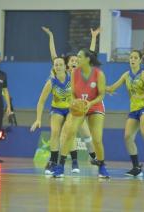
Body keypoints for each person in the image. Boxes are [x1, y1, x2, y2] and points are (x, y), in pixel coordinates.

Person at [42, 27, 99, 166]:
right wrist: (51, 36)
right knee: (63, 135)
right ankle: (59, 161)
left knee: (86, 134)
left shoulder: (79, 72)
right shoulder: (64, 73)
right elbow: (53, 55)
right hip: (63, 109)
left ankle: (94, 158)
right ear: (67, 64)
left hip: (77, 109)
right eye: (72, 60)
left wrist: (94, 37)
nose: (74, 62)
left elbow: (90, 55)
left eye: (76, 60)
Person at [52, 49, 109, 178]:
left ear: (87, 59)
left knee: (97, 139)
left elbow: (101, 95)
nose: (76, 58)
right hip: (80, 106)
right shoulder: (74, 73)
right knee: (70, 131)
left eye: (79, 56)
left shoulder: (99, 74)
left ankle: (102, 166)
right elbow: (72, 92)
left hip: (95, 105)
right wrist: (74, 101)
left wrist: (90, 103)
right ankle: (60, 166)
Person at [106, 50, 144, 176]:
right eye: (131, 57)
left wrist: (140, 98)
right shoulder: (126, 75)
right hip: (134, 109)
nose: (132, 59)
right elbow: (112, 88)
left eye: (135, 57)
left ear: (139, 60)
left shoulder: (143, 74)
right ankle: (136, 168)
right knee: (127, 136)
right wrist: (100, 87)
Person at [30, 57, 77, 174]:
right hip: (57, 109)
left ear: (65, 66)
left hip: (71, 109)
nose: (58, 67)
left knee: (68, 132)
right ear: (54, 68)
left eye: (61, 64)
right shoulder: (51, 82)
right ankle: (53, 162)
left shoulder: (72, 79)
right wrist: (38, 119)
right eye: (56, 65)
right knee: (55, 132)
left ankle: (73, 161)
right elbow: (41, 101)